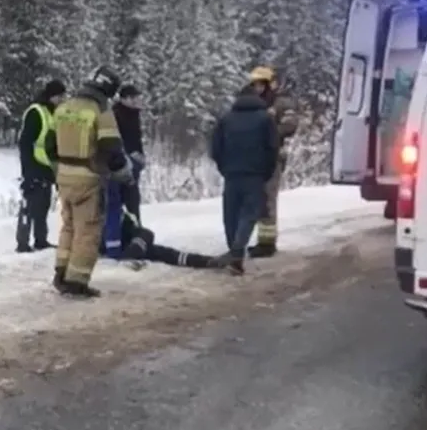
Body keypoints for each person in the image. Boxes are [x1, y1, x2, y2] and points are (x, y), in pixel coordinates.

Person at [44, 66, 131, 298]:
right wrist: (124, 173)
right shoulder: (101, 111)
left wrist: (59, 168)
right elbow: (112, 149)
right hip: (88, 177)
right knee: (88, 230)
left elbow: (49, 146)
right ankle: (77, 281)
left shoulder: (64, 108)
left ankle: (61, 273)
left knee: (68, 226)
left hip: (64, 177)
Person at [210, 81, 279, 275]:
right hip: (255, 175)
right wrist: (266, 171)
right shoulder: (266, 119)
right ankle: (237, 253)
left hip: (231, 174)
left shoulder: (226, 119)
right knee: (249, 214)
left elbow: (215, 148)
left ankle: (234, 250)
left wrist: (224, 168)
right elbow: (273, 148)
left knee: (230, 214)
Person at [245, 66, 299, 258]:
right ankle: (262, 240)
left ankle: (267, 244)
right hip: (255, 158)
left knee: (268, 199)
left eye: (261, 84)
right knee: (258, 199)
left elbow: (291, 125)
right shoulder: (254, 104)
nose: (257, 88)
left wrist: (271, 134)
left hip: (273, 158)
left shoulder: (281, 103)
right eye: (255, 84)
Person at [16, 79, 66, 253]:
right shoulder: (36, 112)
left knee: (43, 206)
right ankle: (22, 242)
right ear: (51, 95)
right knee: (29, 206)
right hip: (34, 166)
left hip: (47, 167)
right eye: (59, 96)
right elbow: (25, 143)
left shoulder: (53, 113)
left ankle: (40, 239)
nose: (62, 100)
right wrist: (27, 171)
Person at [101, 85, 146, 259]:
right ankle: (117, 241)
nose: (137, 101)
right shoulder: (116, 114)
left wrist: (140, 157)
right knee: (119, 202)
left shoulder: (133, 114)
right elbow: (116, 142)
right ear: (124, 99)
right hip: (120, 166)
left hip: (133, 164)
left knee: (133, 201)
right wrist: (130, 157)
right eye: (133, 98)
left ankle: (133, 235)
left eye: (137, 97)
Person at [114, 206, 222, 270]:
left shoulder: (124, 218)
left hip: (129, 245)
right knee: (156, 249)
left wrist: (135, 248)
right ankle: (207, 261)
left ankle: (207, 261)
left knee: (159, 249)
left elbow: (145, 233)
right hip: (118, 248)